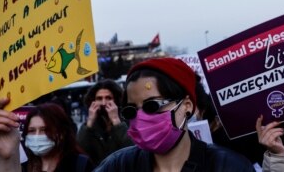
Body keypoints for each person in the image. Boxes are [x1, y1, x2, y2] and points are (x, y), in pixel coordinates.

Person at [94, 57, 254, 171]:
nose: (141, 117)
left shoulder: (227, 166)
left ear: (186, 106)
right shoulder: (118, 166)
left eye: (152, 105)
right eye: (131, 110)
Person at [22, 103, 95, 172]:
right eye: (32, 131)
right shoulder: (24, 166)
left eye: (44, 130)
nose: (36, 136)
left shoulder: (80, 164)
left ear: (61, 133)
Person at [77, 79, 133, 164]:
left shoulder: (126, 121)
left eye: (108, 98)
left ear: (116, 100)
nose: (104, 103)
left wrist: (116, 122)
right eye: (99, 98)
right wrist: (89, 122)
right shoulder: (90, 126)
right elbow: (80, 149)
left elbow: (131, 148)